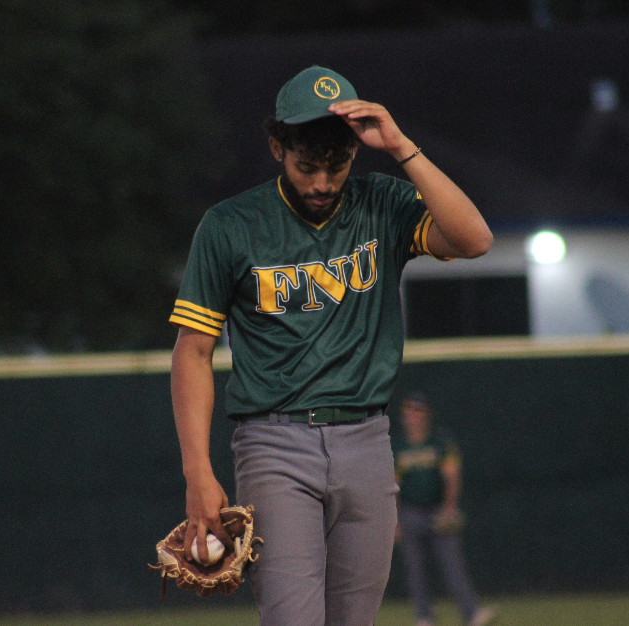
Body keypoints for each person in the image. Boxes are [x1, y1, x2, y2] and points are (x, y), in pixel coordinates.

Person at [168, 65, 492, 626]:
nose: (322, 182)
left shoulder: (381, 204)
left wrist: (401, 147)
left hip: (366, 440)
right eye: (307, 166)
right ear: (276, 147)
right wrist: (198, 473)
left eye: (336, 165)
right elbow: (192, 352)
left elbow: (474, 239)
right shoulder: (230, 226)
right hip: (274, 441)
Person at [393, 394, 498, 626]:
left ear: (426, 416)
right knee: (415, 569)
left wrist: (450, 507)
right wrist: (395, 520)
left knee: (453, 565)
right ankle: (424, 617)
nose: (413, 416)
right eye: (409, 411)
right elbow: (393, 486)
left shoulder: (439, 442)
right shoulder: (398, 447)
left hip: (437, 510)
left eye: (418, 412)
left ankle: (471, 613)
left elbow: (452, 475)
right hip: (410, 512)